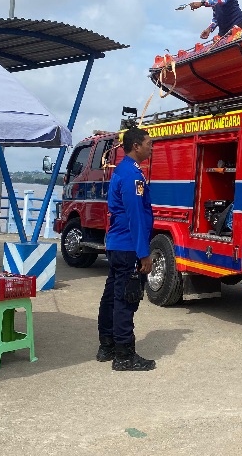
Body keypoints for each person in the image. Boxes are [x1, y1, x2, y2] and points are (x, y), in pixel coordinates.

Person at [96, 127, 156, 372]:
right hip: (129, 246)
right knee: (126, 299)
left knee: (112, 295)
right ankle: (124, 356)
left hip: (117, 244)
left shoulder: (123, 170)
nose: (151, 147)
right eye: (148, 143)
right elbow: (135, 216)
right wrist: (144, 252)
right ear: (136, 146)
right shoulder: (132, 175)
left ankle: (107, 346)